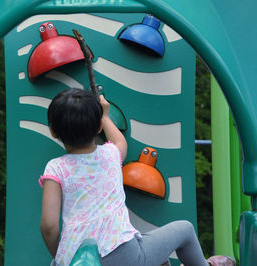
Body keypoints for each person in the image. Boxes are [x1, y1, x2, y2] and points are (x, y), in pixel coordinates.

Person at [39, 88, 235, 266]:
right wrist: (105, 116)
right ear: (98, 128)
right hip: (124, 256)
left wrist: (61, 257)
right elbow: (119, 140)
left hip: (77, 260)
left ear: (53, 131)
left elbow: (49, 225)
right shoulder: (110, 155)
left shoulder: (56, 168)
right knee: (185, 229)